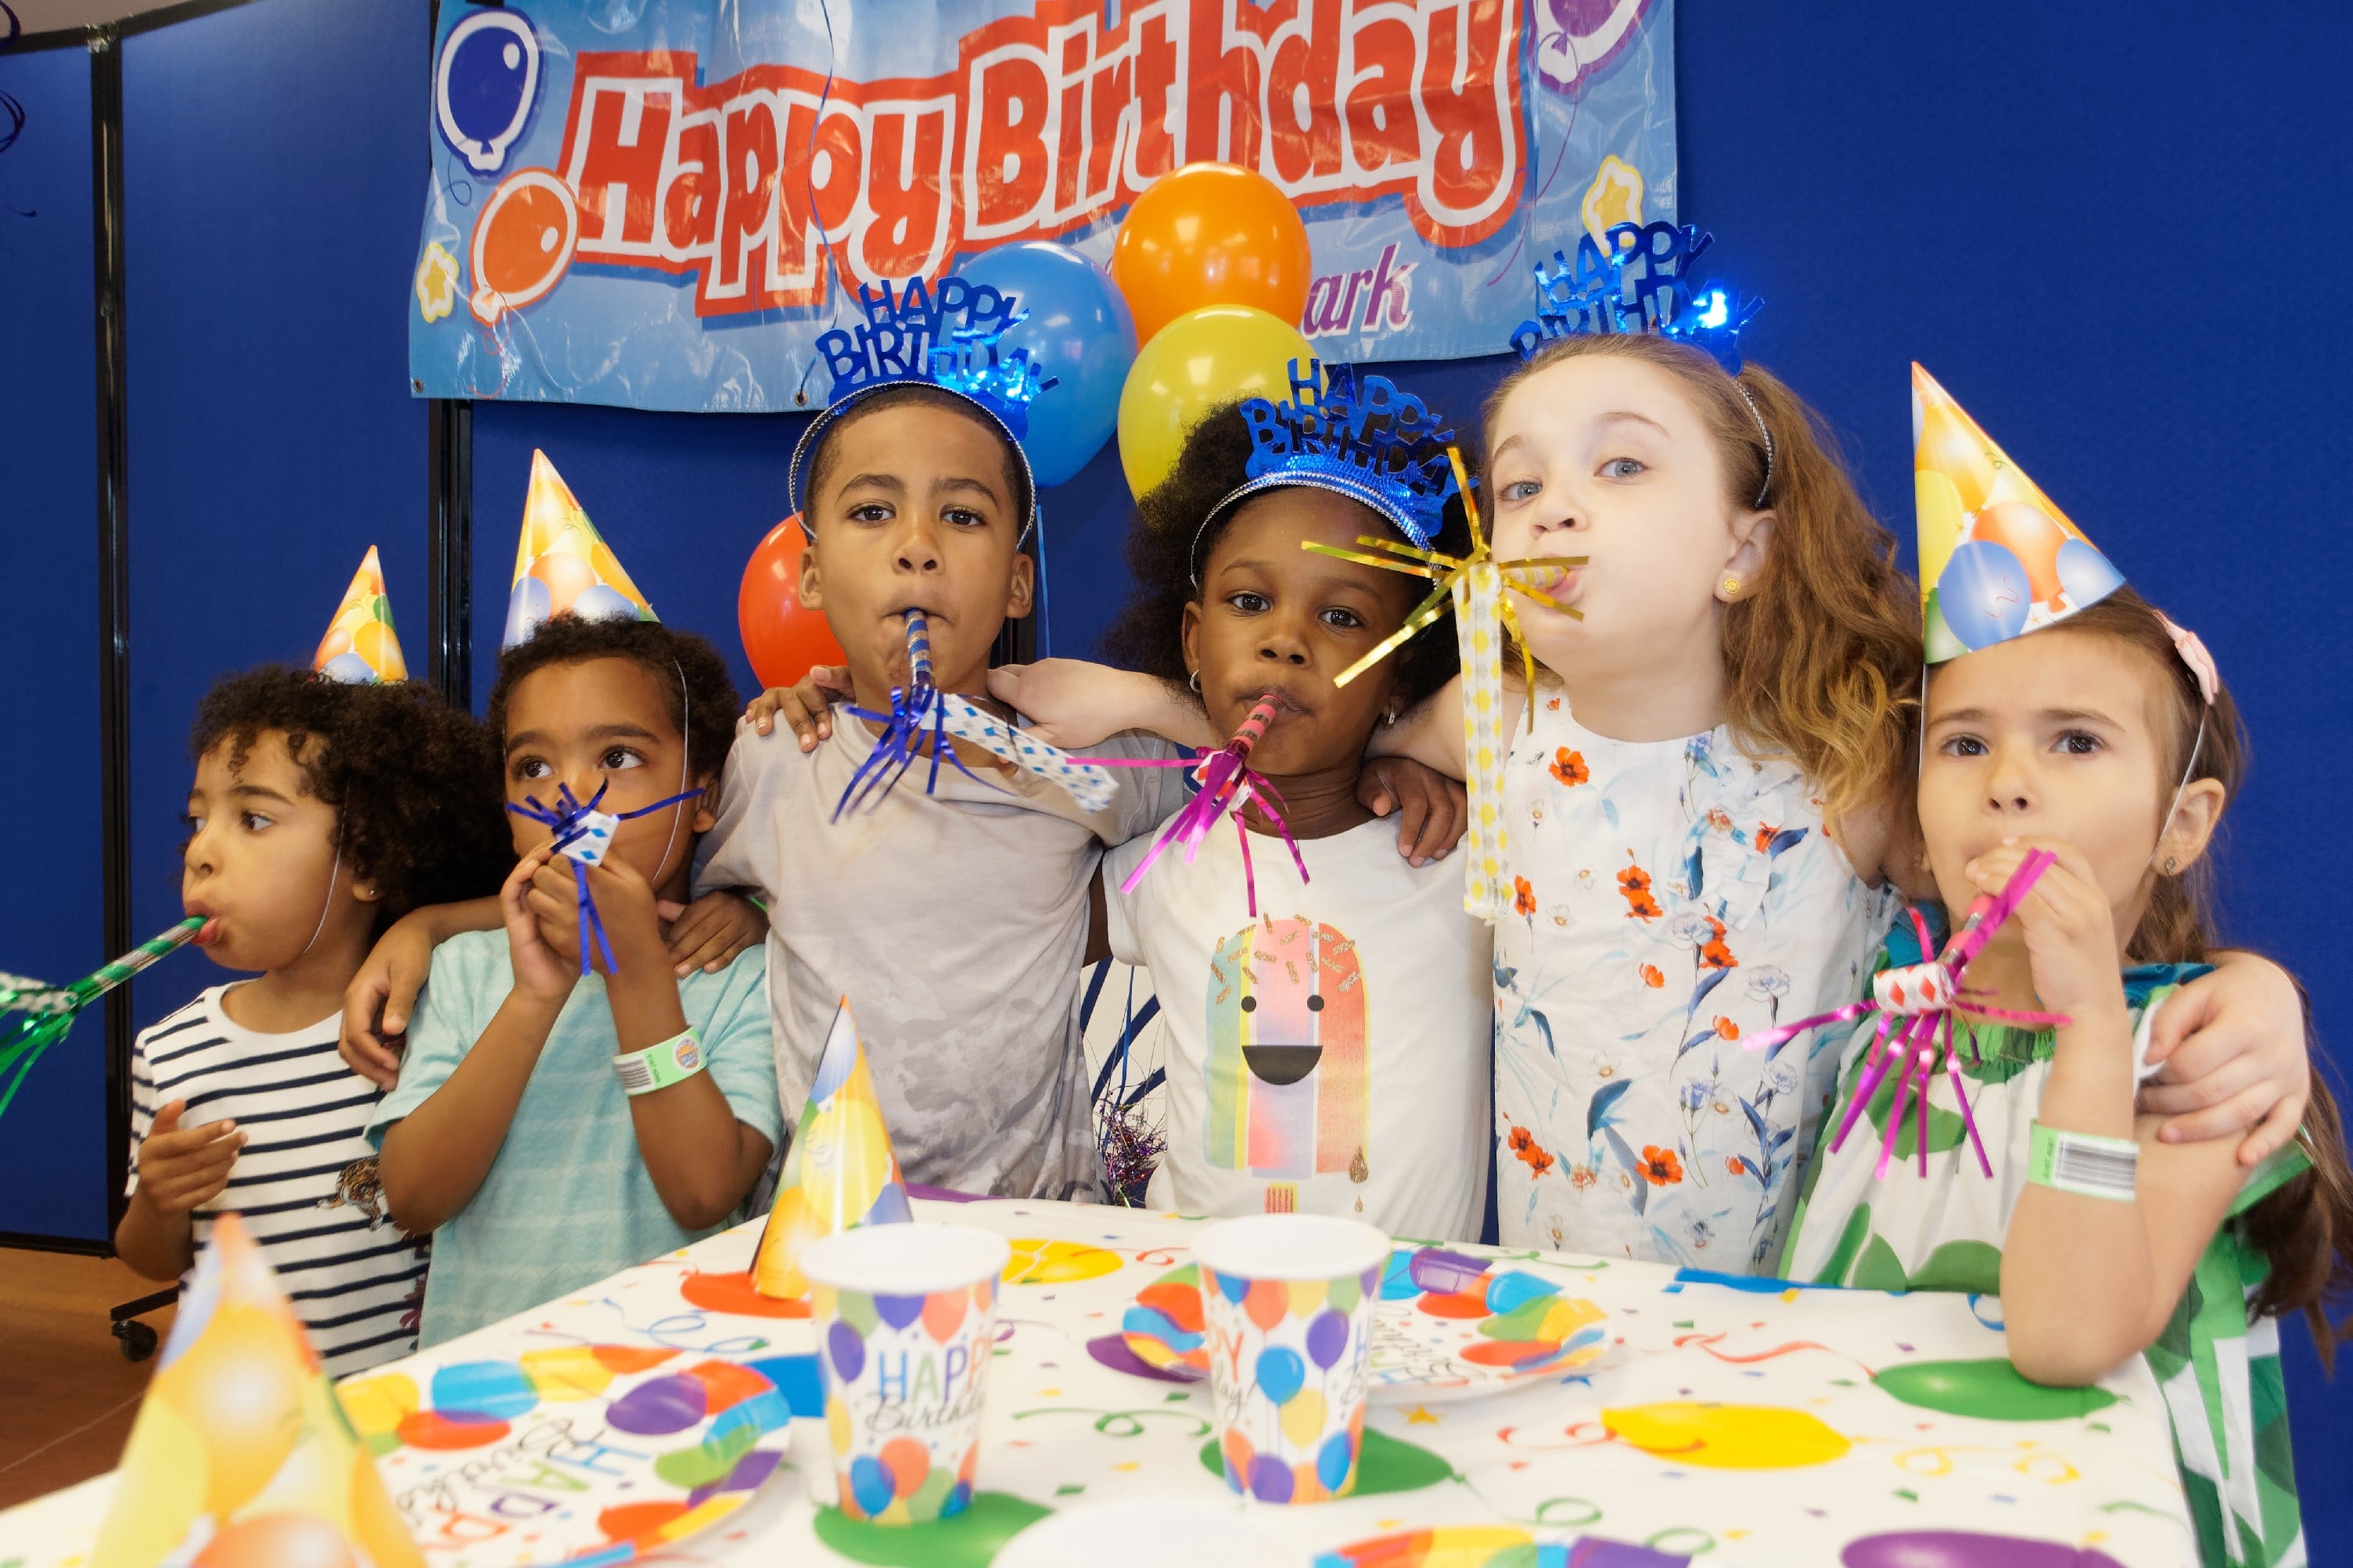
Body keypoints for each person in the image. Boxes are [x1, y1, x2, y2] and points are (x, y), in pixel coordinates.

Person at [987, 330, 2313, 1268]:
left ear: (1744, 546)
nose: (1556, 508)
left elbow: (2052, 890)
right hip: (1547, 1317)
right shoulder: (1484, 731)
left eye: (1618, 468)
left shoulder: (1841, 764)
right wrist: (1153, 707)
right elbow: (1309, 720)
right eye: (1519, 485)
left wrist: (2255, 993)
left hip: (1779, 1324)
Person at [703, 277, 1463, 1199]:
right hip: (829, 1227)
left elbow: (1264, 766)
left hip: (1044, 1244)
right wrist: (746, 911)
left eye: (962, 514)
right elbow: (670, 888)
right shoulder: (775, 755)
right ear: (811, 572)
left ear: (1018, 583)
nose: (916, 547)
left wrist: (1388, 754)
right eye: (873, 512)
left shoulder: (1093, 768)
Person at [1780, 490, 2351, 1566]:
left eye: (2075, 742)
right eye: (1962, 745)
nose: (2008, 786)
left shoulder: (2198, 1058)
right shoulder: (1883, 999)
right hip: (1868, 1509)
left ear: (2180, 825)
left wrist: (2094, 1024)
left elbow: (2066, 1337)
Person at [1090, 376, 1490, 1239]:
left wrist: (1416, 753)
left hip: (1402, 1325)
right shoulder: (1153, 868)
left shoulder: (1469, 860)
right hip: (1191, 1309)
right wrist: (741, 903)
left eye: (1341, 615)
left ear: (1403, 677)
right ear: (1193, 640)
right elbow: (974, 897)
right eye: (1248, 601)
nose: (1284, 637)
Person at [370, 613, 778, 1345]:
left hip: (673, 1385)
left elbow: (703, 1191)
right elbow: (412, 1197)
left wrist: (633, 972)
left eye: (617, 756)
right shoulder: (466, 970)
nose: (572, 795)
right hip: (485, 1390)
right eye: (533, 766)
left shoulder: (741, 976)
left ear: (703, 793)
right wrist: (534, 997)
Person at [117, 665, 508, 1375]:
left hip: (411, 1411)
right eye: (198, 820)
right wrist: (157, 1199)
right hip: (257, 1425)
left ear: (368, 859)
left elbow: (541, 907)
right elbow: (149, 1257)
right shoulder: (171, 1051)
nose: (201, 852)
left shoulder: (435, 1017)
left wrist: (425, 923)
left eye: (253, 818)